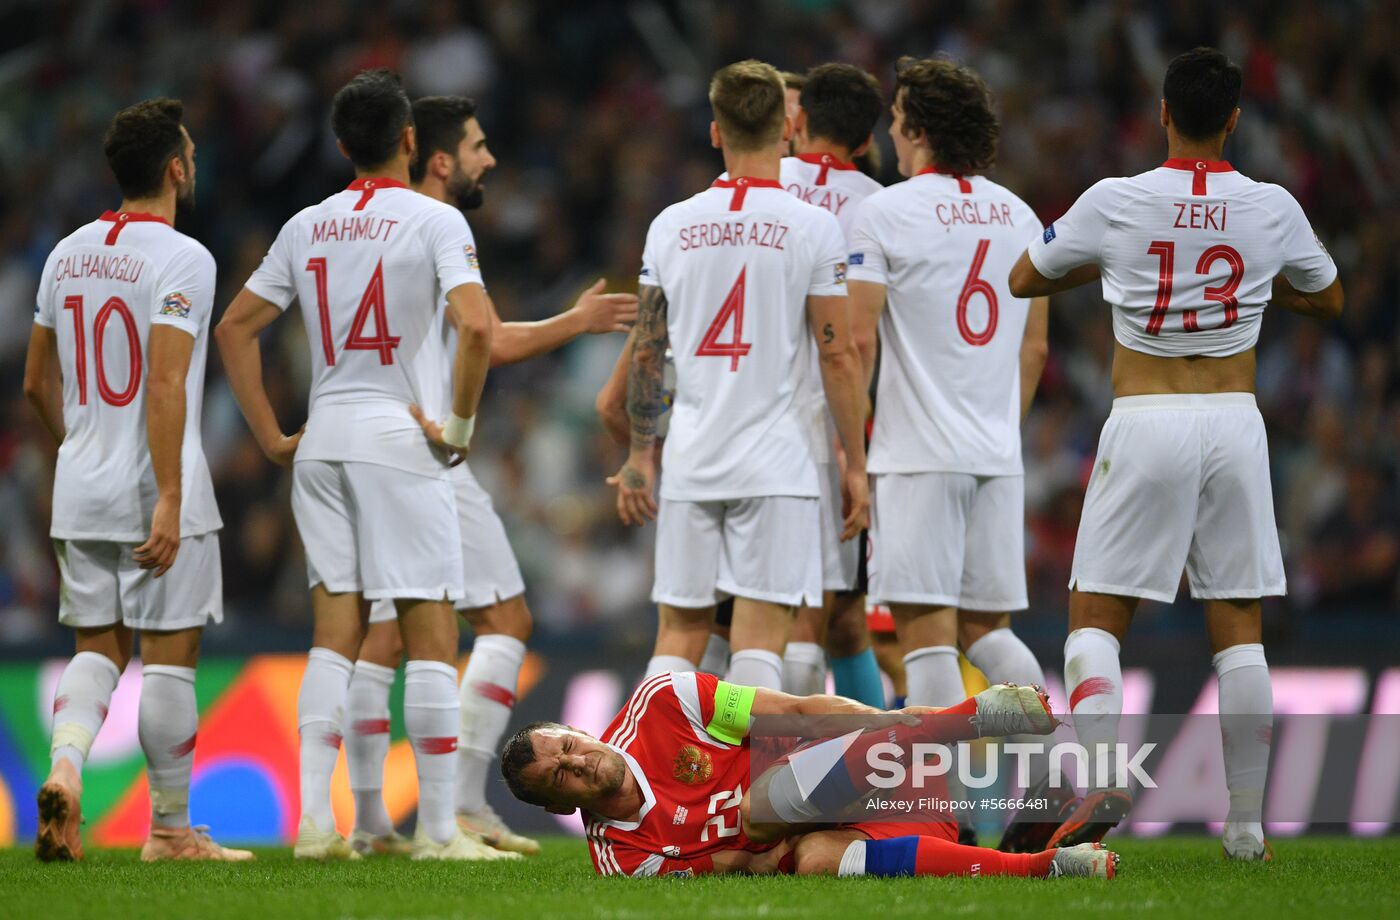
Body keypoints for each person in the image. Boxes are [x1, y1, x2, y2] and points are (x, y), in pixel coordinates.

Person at [1008, 47, 1344, 860]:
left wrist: (1112, 272)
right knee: (1240, 628)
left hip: (1147, 415)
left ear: (1163, 112)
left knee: (1094, 617)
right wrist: (1258, 290)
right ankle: (1246, 829)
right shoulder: (1270, 206)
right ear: (1235, 119)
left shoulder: (1117, 200)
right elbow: (1330, 295)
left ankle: (1098, 777)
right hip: (1233, 420)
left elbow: (1024, 278)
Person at [344, 94, 637, 858]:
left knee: (391, 632)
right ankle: (451, 810)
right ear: (438, 157)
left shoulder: (366, 225)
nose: (489, 159)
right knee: (483, 625)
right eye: (477, 146)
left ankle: (373, 819)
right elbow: (487, 335)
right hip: (427, 451)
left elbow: (481, 335)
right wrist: (569, 328)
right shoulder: (437, 224)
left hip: (363, 446)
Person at [216, 69, 494, 861]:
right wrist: (460, 428)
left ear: (342, 146)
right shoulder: (436, 223)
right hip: (400, 443)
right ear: (411, 140)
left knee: (334, 637)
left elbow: (236, 329)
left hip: (324, 440)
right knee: (432, 633)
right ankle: (440, 833)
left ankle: (312, 824)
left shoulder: (307, 224)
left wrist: (272, 435)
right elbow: (475, 327)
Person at [25, 99, 249, 862]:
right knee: (169, 657)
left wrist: (80, 448)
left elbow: (33, 382)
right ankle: (169, 831)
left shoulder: (64, 254)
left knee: (96, 648)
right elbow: (164, 383)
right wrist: (172, 496)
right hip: (156, 488)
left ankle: (64, 771)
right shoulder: (183, 257)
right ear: (176, 169)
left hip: (79, 485)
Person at [846, 56, 1056, 849]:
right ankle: (1045, 786)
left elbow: (858, 337)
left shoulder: (887, 214)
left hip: (917, 455)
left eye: (898, 121)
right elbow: (1034, 351)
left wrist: (850, 446)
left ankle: (952, 823)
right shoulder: (1021, 217)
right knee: (989, 633)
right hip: (995, 455)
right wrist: (998, 426)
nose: (891, 137)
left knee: (927, 636)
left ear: (919, 130)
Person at [608, 60, 870, 694]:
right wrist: (855, 464)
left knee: (678, 633)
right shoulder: (813, 226)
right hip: (777, 463)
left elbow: (647, 350)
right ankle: (745, 786)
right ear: (787, 127)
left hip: (695, 456)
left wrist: (642, 452)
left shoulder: (670, 225)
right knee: (759, 641)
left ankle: (655, 777)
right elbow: (838, 354)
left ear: (715, 133)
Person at [498, 673, 1118, 879]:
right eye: (562, 778)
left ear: (576, 729)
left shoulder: (665, 701)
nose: (578, 762)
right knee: (814, 858)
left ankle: (970, 721)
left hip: (882, 767)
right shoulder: (624, 860)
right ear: (560, 809)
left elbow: (798, 714)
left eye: (569, 746)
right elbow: (746, 868)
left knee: (757, 810)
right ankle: (1039, 861)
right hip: (882, 834)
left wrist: (893, 723)